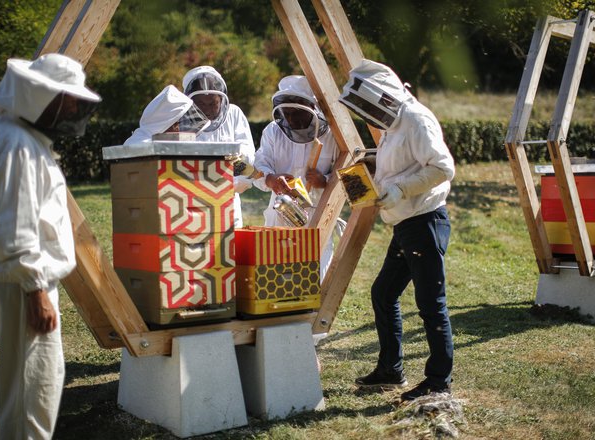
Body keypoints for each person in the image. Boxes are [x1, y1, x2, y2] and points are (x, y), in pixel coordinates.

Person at [0, 53, 101, 438]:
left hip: (12, 279)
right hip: (22, 284)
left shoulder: (6, 132)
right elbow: (16, 225)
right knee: (32, 390)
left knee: (27, 385)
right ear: (39, 95)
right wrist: (35, 289)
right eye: (66, 99)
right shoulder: (16, 143)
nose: (72, 107)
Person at [338, 59, 455, 401]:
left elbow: (443, 168)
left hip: (424, 221)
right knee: (384, 293)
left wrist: (401, 188)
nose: (368, 113)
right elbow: (404, 161)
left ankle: (438, 382)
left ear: (383, 97)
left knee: (431, 304)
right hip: (406, 225)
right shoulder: (393, 126)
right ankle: (391, 369)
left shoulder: (416, 119)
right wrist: (374, 165)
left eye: (369, 106)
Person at [253, 75, 339, 280]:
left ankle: (313, 312)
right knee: (278, 276)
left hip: (319, 213)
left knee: (315, 279)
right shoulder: (273, 132)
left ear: (310, 106)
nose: (291, 119)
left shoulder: (332, 135)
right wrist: (270, 179)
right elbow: (258, 166)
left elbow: (345, 170)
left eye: (297, 113)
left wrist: (325, 180)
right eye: (287, 113)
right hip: (281, 211)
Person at [182, 66, 256, 228]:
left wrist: (229, 183)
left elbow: (248, 160)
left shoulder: (234, 114)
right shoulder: (181, 120)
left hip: (228, 201)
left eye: (213, 103)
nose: (207, 109)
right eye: (201, 103)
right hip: (191, 202)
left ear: (221, 99)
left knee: (228, 249)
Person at [124, 84, 209, 145]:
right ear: (169, 124)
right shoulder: (142, 145)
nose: (178, 129)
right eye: (177, 124)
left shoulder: (150, 141)